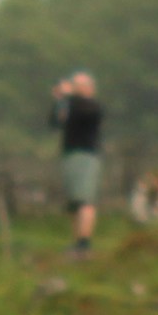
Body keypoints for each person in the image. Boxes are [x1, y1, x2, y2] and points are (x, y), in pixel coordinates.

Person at [53, 73, 108, 255]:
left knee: (85, 199)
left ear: (88, 87)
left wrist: (69, 96)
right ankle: (76, 240)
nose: (73, 88)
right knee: (74, 201)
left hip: (86, 155)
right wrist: (60, 100)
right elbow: (56, 121)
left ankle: (85, 242)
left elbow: (84, 113)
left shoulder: (92, 106)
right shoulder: (71, 104)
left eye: (76, 85)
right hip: (69, 153)